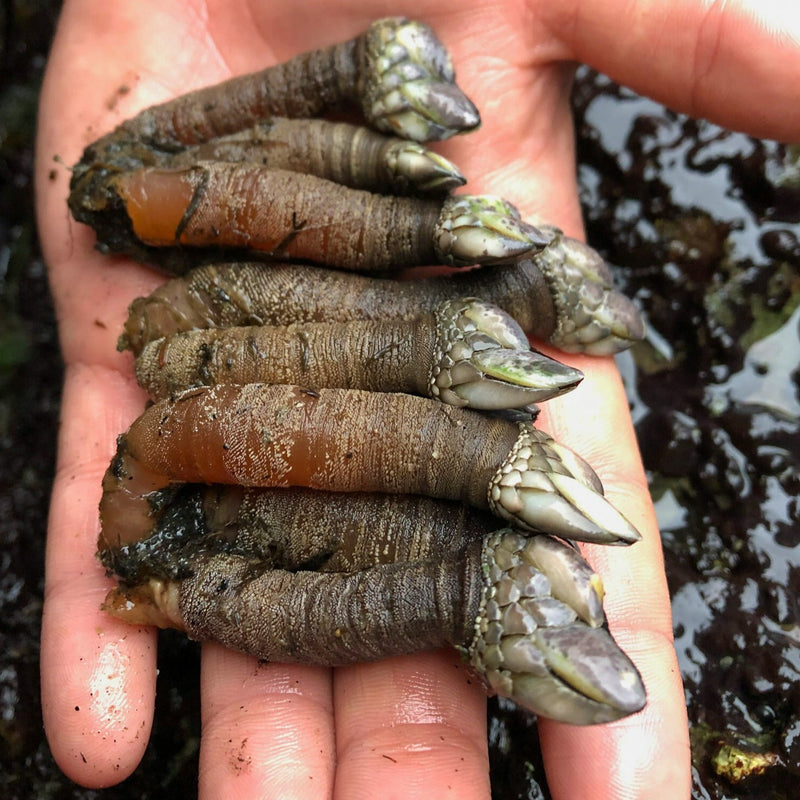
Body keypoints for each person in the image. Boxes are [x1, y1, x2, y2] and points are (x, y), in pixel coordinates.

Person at [34, 1, 799, 797]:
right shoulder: (174, 352)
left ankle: (477, 540)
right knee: (182, 351)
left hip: (203, 394)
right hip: (196, 395)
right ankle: (480, 521)